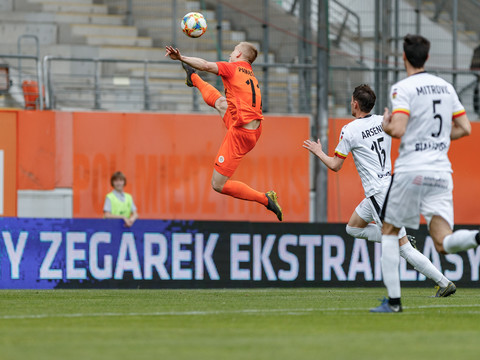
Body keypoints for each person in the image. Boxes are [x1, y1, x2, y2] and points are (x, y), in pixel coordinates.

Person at [303, 84, 455, 299]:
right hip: (388, 187)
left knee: (403, 249)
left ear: (355, 103)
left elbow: (336, 165)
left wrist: (318, 152)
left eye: (351, 101)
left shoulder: (350, 130)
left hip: (378, 193)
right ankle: (399, 238)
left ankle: (444, 282)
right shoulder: (384, 122)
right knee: (353, 228)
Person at [378, 34, 480, 313]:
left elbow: (398, 129)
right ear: (427, 56)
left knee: (389, 232)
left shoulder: (403, 88)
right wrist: (437, 140)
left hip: (412, 169)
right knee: (444, 242)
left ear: (403, 57)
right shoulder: (445, 87)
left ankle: (394, 302)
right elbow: (465, 128)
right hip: (441, 172)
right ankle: (476, 238)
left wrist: (387, 124)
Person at [165, 42, 283, 221]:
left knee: (217, 185)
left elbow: (206, 64)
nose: (230, 53)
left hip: (240, 135)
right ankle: (193, 77)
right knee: (221, 104)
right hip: (252, 129)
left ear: (239, 55)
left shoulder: (232, 68)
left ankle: (265, 199)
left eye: (234, 50)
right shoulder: (250, 75)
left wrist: (181, 57)